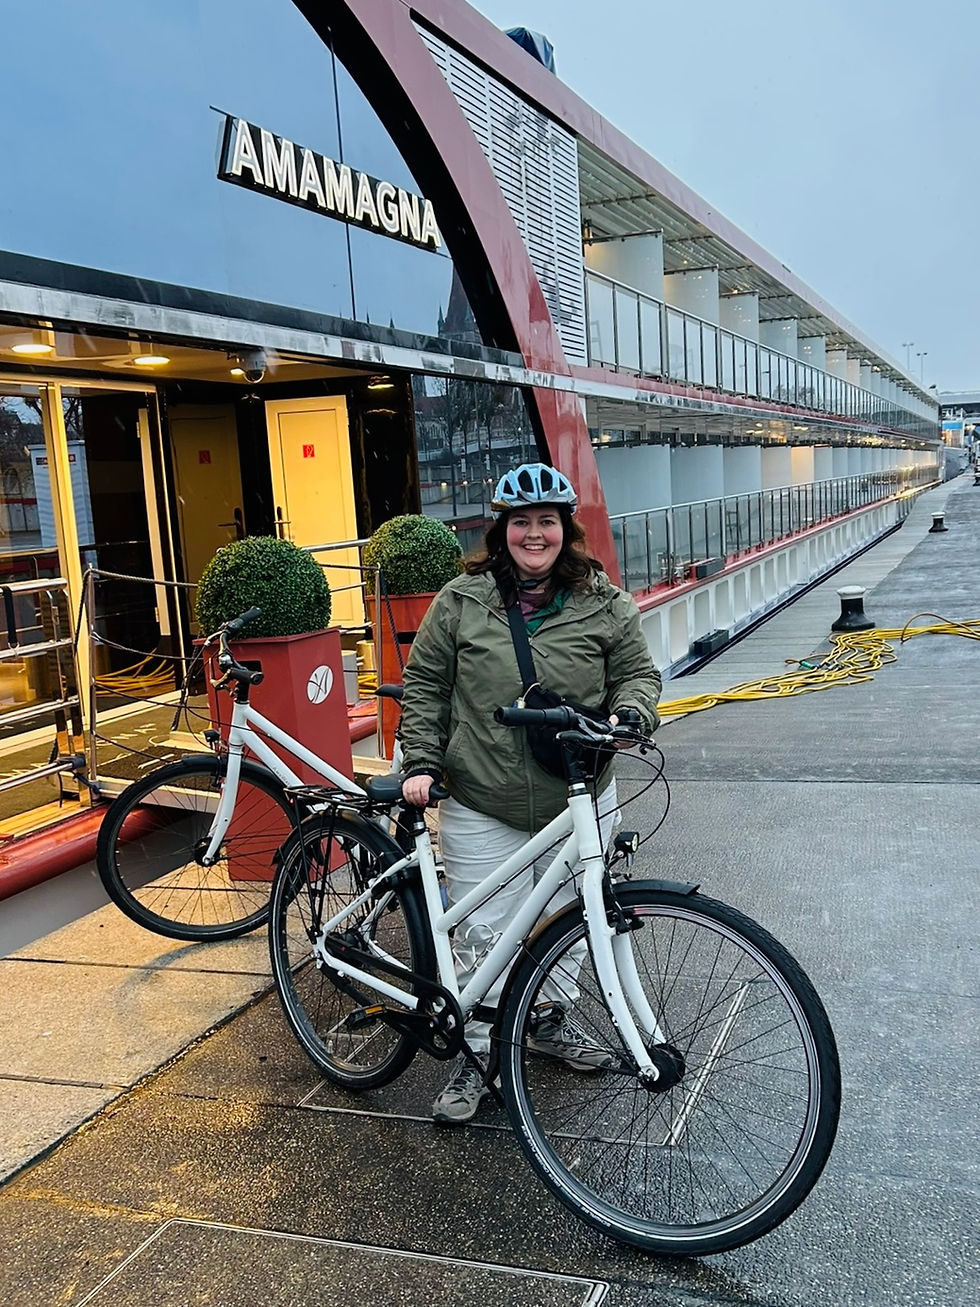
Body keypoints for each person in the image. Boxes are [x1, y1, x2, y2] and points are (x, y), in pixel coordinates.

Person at [399, 462, 662, 1124]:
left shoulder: (603, 601)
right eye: (522, 522)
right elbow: (427, 683)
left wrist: (633, 713)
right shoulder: (461, 601)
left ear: (565, 530)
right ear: (503, 531)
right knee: (485, 933)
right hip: (483, 797)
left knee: (574, 926)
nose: (534, 533)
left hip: (579, 791)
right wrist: (422, 762)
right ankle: (478, 1047)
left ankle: (545, 1019)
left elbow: (637, 672)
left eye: (547, 521)